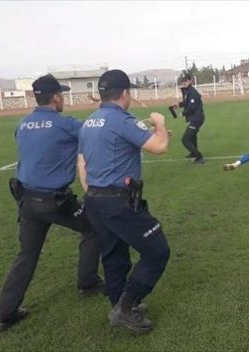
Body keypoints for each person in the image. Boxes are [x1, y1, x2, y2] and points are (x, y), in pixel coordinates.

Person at [0, 74, 103, 332]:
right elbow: (94, 130)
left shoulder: (22, 123)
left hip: (26, 201)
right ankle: (87, 282)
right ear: (55, 97)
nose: (63, 98)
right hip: (55, 201)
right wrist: (102, 109)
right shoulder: (64, 124)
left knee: (27, 255)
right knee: (93, 227)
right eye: (62, 95)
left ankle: (5, 313)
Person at [78, 69, 171, 334]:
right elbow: (160, 147)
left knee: (114, 254)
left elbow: (83, 162)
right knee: (157, 250)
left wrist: (92, 193)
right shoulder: (122, 120)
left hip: (95, 197)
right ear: (126, 93)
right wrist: (159, 123)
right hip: (117, 201)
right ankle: (126, 308)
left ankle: (119, 304)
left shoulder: (90, 121)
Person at [170, 73, 205, 164]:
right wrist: (179, 105)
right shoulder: (188, 91)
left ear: (190, 81)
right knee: (193, 136)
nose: (184, 82)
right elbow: (187, 102)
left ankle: (199, 156)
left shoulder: (192, 92)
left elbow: (191, 107)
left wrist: (182, 113)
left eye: (186, 81)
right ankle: (193, 153)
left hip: (197, 119)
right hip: (195, 118)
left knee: (185, 139)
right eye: (183, 81)